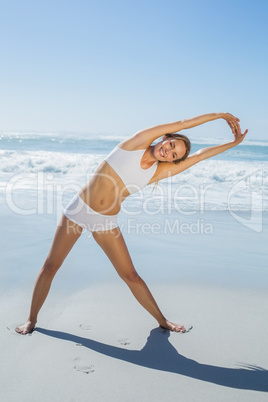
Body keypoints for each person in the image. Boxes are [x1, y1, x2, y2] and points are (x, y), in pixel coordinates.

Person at [15, 112, 248, 335]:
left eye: (174, 155)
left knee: (131, 275)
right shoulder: (136, 143)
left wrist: (233, 144)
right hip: (78, 210)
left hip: (106, 221)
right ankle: (31, 320)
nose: (168, 152)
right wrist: (218, 115)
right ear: (166, 137)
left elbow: (200, 156)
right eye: (171, 145)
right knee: (50, 267)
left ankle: (162, 320)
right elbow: (183, 123)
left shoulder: (157, 172)